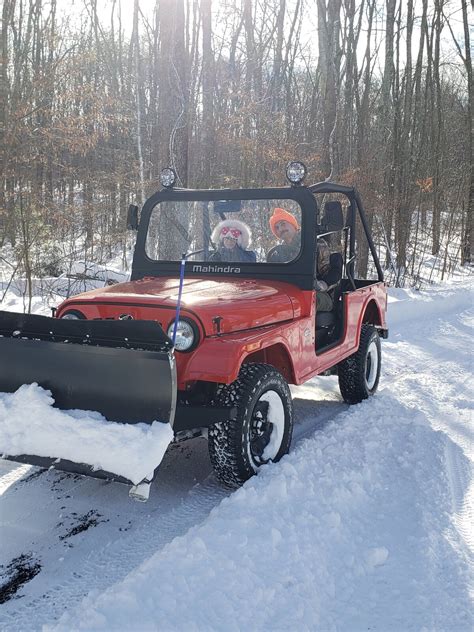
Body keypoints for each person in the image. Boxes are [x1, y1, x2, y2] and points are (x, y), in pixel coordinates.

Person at [267, 208, 340, 311]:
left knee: (299, 301)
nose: (280, 229)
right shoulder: (277, 253)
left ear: (293, 224)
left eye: (283, 224)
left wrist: (323, 284)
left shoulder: (316, 244)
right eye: (277, 228)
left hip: (315, 294)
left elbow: (329, 273)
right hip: (286, 294)